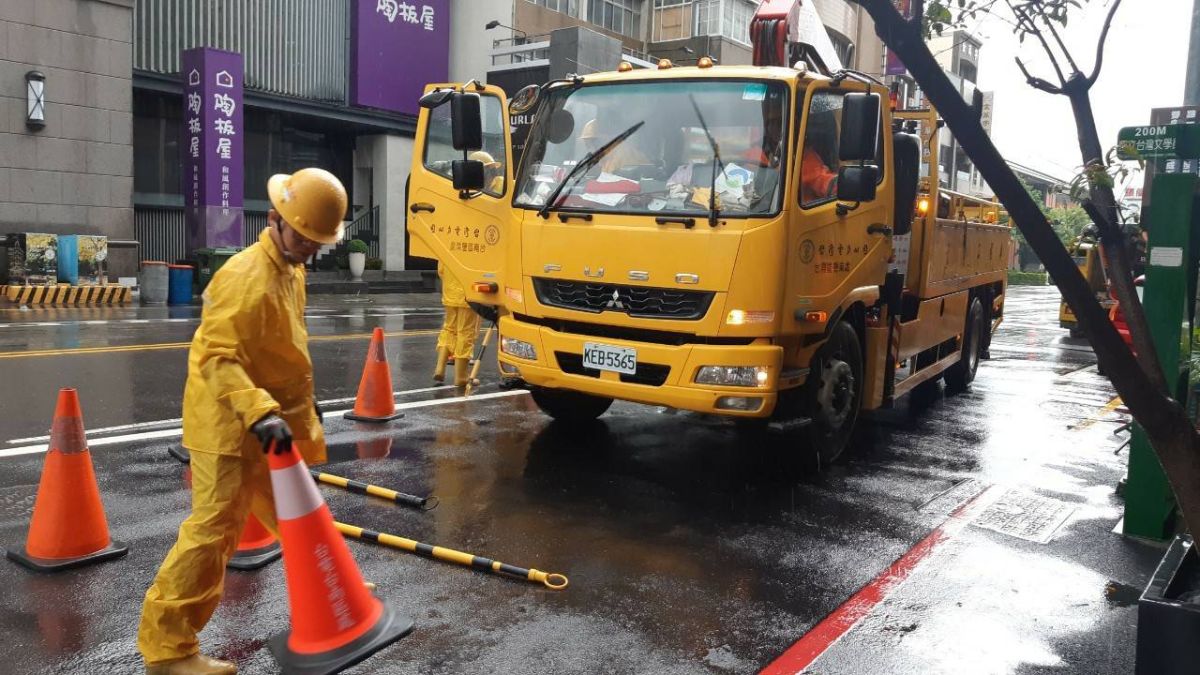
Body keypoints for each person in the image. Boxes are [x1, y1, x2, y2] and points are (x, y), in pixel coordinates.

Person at [136, 168, 347, 675]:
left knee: (300, 514)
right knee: (213, 533)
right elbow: (218, 357)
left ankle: (335, 594)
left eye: (317, 243)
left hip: (264, 421)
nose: (309, 250)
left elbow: (279, 349)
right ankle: (167, 650)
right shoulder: (244, 276)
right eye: (303, 238)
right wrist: (260, 411)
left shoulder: (291, 268)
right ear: (275, 220)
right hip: (229, 427)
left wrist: (300, 405)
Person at [434, 261, 479, 387]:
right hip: (468, 293)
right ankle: (461, 376)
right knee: (465, 331)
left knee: (449, 328)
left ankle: (440, 368)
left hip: (449, 292)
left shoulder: (449, 248)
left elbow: (441, 270)